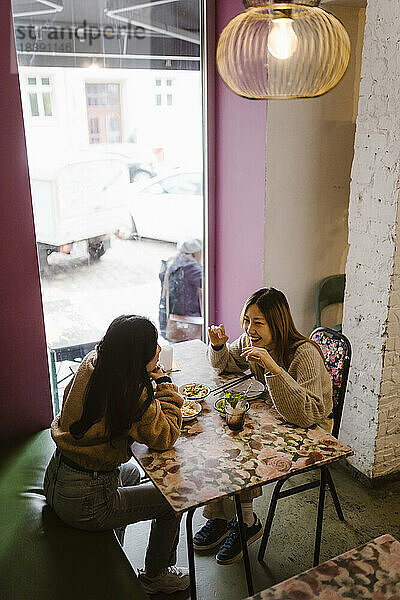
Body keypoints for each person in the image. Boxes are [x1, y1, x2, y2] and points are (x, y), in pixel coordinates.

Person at [44, 315, 190, 595]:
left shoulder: (95, 362)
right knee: (173, 501)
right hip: (85, 503)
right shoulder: (130, 392)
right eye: (154, 346)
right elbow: (166, 435)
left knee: (133, 472)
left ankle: (117, 546)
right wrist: (166, 384)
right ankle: (156, 576)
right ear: (136, 357)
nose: (159, 350)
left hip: (57, 477)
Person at [193, 288, 333, 565]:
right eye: (246, 320)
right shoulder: (250, 340)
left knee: (239, 443)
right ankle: (223, 517)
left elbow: (308, 414)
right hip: (276, 414)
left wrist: (273, 369)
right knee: (225, 434)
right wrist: (219, 346)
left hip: (310, 431)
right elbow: (227, 366)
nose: (249, 329)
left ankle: (246, 522)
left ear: (278, 323)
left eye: (258, 322)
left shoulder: (303, 353)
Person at [159, 238, 202, 341]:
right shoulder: (190, 266)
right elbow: (208, 282)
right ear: (196, 252)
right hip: (186, 324)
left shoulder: (170, 262)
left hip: (168, 319)